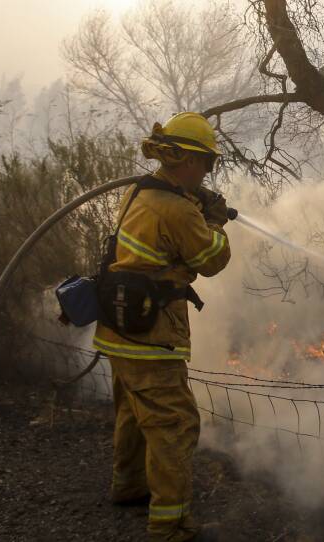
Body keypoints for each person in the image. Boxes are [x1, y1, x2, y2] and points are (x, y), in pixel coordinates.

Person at [92, 112, 231, 541]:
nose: (207, 172)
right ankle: (169, 525)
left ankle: (129, 485)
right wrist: (214, 221)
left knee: (134, 412)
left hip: (118, 328)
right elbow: (213, 260)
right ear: (187, 160)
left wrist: (195, 204)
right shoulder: (176, 209)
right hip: (153, 336)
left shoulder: (140, 191)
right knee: (173, 425)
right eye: (206, 163)